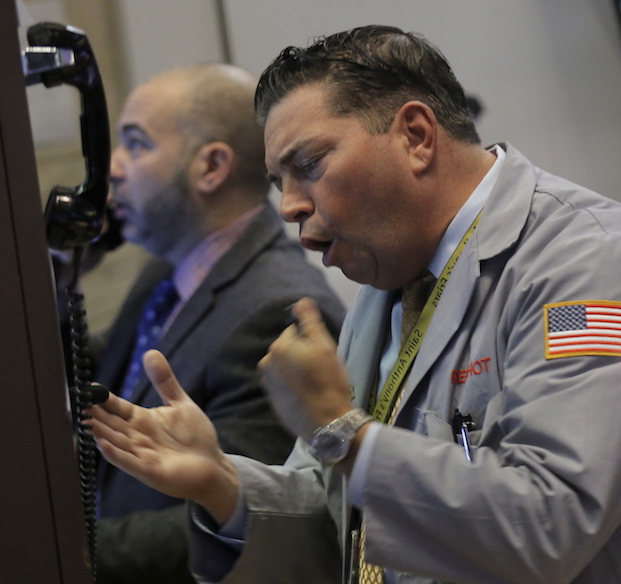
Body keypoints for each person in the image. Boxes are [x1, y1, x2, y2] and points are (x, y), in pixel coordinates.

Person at [87, 25, 621, 584]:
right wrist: (222, 483)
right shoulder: (392, 274)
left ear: (416, 136)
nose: (290, 207)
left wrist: (342, 430)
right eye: (279, 181)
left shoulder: (582, 263)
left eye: (310, 165)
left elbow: (552, 522)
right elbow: (345, 507)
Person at [56, 63, 347, 584]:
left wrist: (53, 549)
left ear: (211, 166)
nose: (112, 168)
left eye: (136, 145)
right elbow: (104, 370)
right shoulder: (169, 270)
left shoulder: (276, 311)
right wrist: (58, 272)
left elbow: (217, 513)